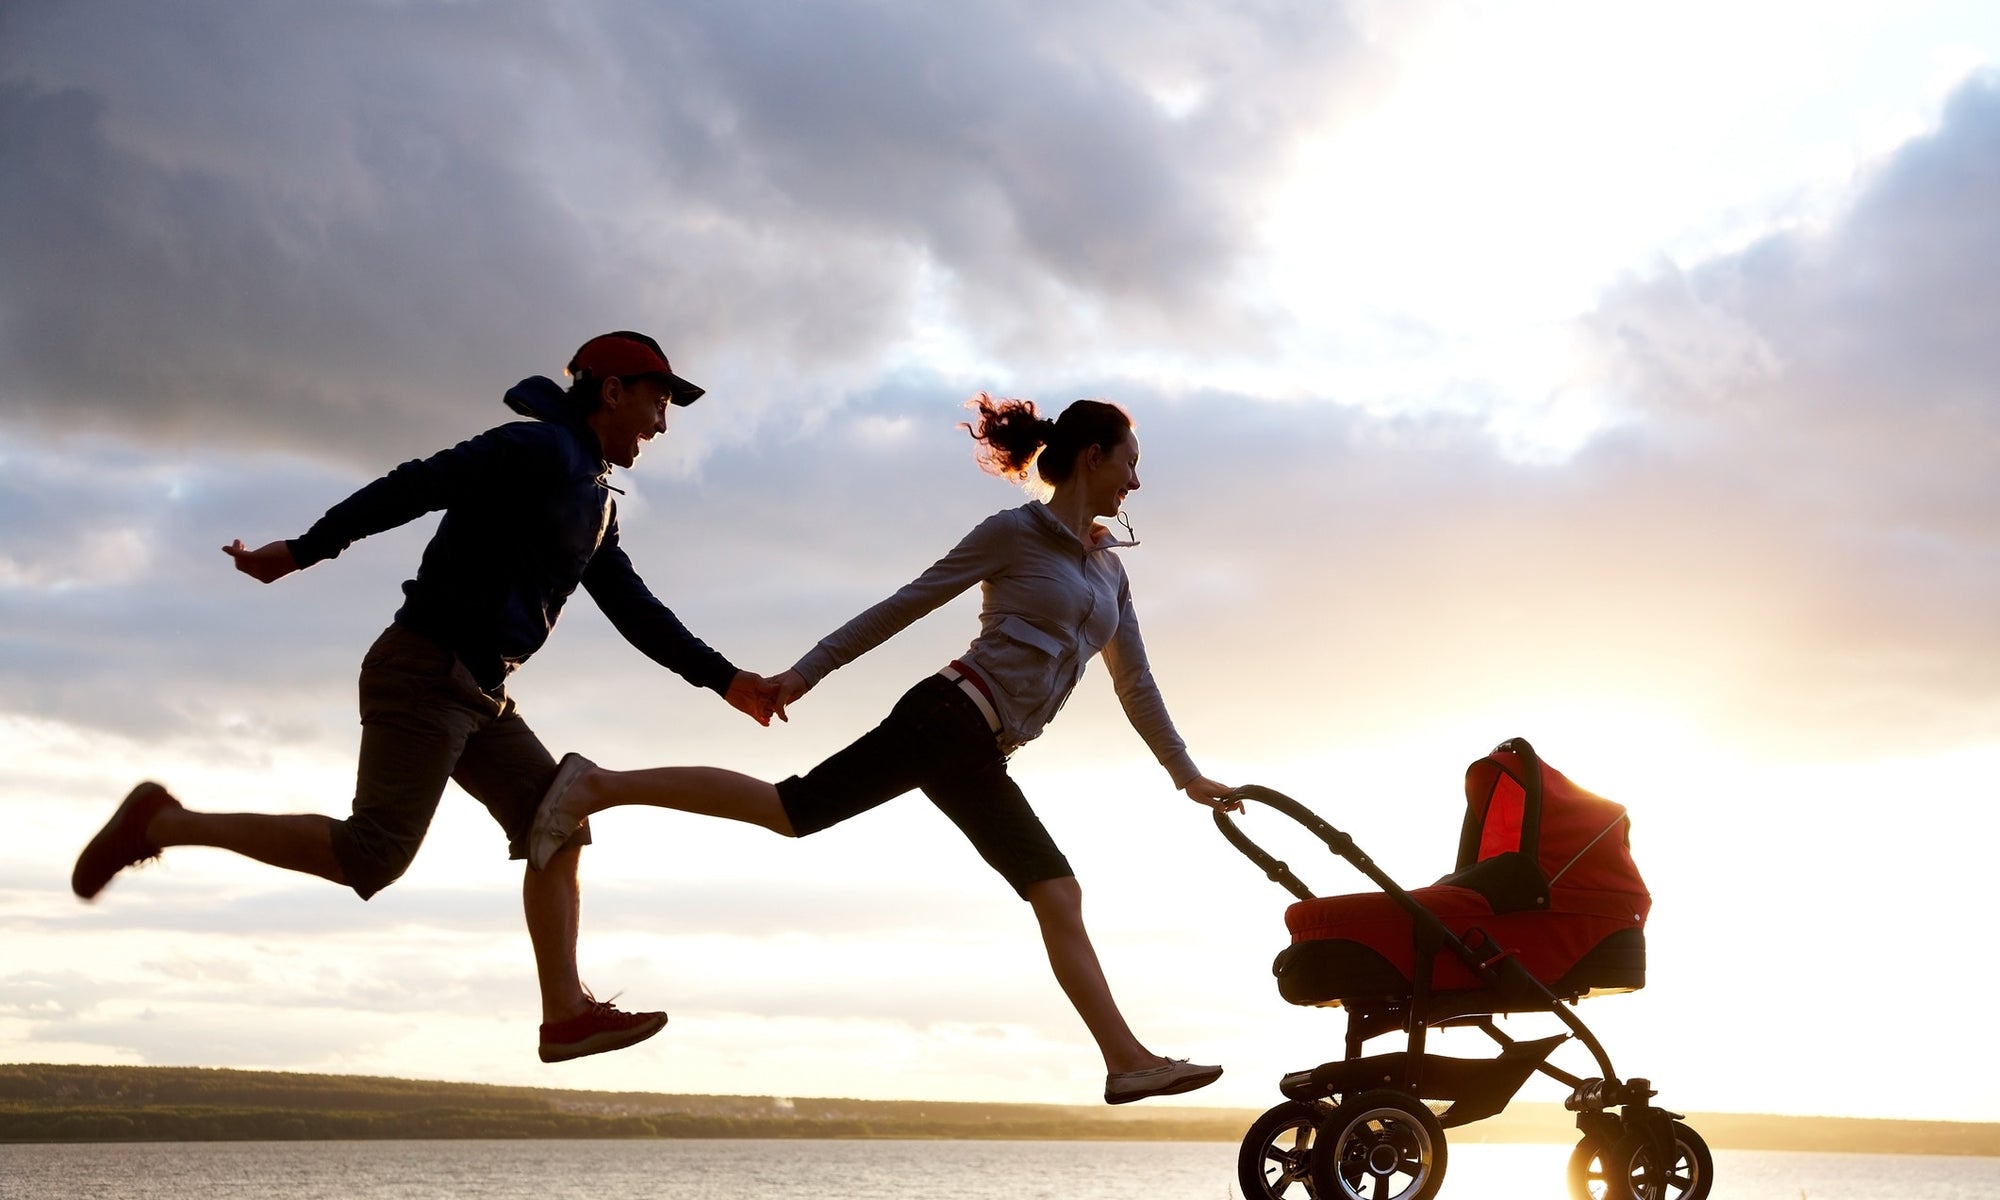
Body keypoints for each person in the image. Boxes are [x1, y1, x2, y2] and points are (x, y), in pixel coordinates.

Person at [71, 331, 776, 1064]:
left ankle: (565, 1015)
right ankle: (162, 823)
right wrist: (306, 549)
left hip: (481, 693)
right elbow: (418, 482)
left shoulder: (595, 497)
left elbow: (634, 607)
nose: (661, 424)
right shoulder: (535, 450)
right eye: (658, 402)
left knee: (557, 823)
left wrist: (726, 680)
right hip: (425, 670)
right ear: (612, 390)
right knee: (372, 855)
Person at [526, 393, 1239, 1104]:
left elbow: (1134, 680)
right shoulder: (1013, 533)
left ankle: (1126, 1062)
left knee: (1055, 889)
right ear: (1095, 457)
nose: (1136, 484)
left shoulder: (1110, 570)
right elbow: (907, 603)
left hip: (981, 750)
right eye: (1130, 464)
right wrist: (805, 673)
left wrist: (1187, 776)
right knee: (791, 809)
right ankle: (596, 785)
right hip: (948, 718)